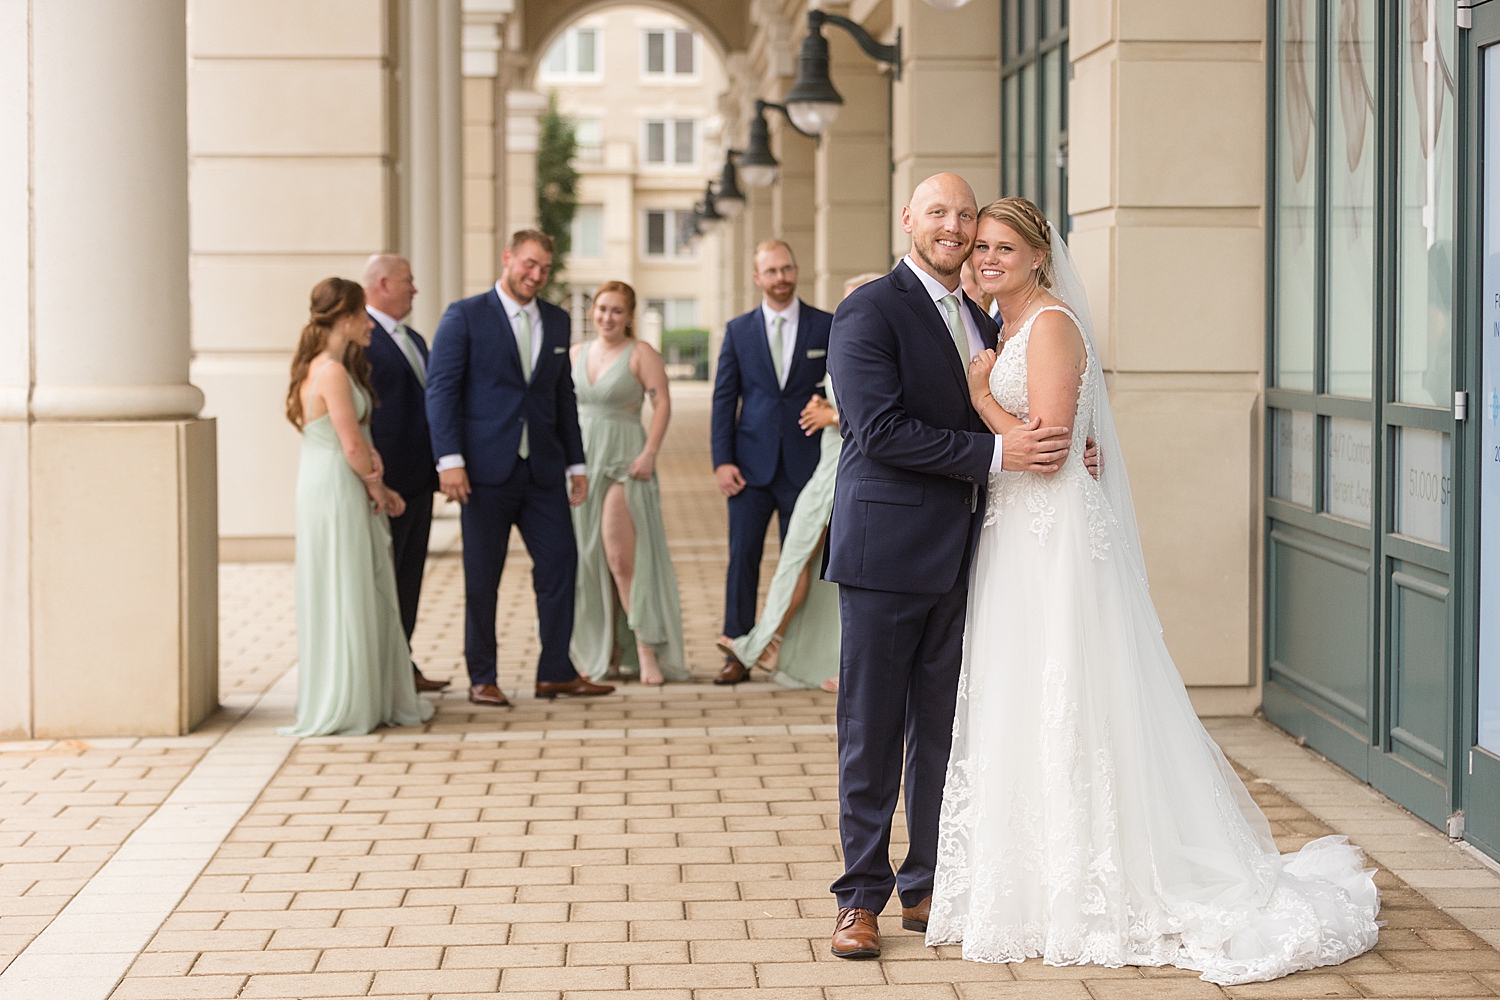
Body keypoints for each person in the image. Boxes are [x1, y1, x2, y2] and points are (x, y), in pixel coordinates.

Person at [928, 197, 1380, 983]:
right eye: (979, 251)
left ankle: (1098, 882)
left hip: (1054, 538)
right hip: (1021, 536)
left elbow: (1049, 447)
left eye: (1003, 248)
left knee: (1070, 688)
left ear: (1038, 255)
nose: (985, 261)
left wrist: (980, 401)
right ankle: (1037, 885)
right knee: (1027, 693)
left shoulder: (1052, 324)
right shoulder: (1012, 327)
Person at [822, 173, 1076, 960]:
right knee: (871, 728)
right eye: (940, 212)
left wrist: (1068, 442)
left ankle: (925, 882)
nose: (955, 226)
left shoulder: (979, 314)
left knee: (941, 730)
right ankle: (858, 898)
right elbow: (878, 431)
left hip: (971, 553)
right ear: (909, 219)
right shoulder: (869, 310)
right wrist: (1000, 452)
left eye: (965, 215)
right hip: (887, 554)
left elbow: (1015, 401)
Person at [425, 230, 614, 707]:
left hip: (544, 471)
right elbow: (441, 391)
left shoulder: (556, 320)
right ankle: (482, 676)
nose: (536, 275)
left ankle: (555, 671)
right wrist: (449, 461)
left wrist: (577, 462)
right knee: (482, 576)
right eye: (529, 264)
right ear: (508, 258)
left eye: (544, 269)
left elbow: (561, 395)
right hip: (483, 473)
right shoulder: (464, 316)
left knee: (560, 565)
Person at [280, 277, 435, 737]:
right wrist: (380, 490)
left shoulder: (314, 365)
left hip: (319, 481)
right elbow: (351, 445)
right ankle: (351, 699)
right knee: (351, 586)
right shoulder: (331, 371)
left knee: (342, 585)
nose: (370, 324)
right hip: (339, 485)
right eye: (363, 316)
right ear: (346, 318)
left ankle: (352, 690)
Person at [720, 272, 883, 694]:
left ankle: (766, 645)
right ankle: (770, 644)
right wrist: (828, 405)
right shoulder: (850, 341)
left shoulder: (880, 345)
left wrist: (831, 416)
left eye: (858, 301)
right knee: (803, 559)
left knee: (825, 564)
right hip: (826, 466)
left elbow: (882, 415)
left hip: (845, 468)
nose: (848, 311)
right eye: (846, 303)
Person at [710, 239, 834, 685]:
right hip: (749, 467)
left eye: (787, 269)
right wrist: (721, 461)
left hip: (806, 466)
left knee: (796, 561)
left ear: (796, 270)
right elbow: (725, 399)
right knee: (742, 557)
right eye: (772, 271)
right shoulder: (738, 331)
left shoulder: (826, 325)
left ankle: (787, 650)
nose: (781, 278)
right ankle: (736, 650)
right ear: (757, 277)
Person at [569, 282, 687, 686]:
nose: (608, 317)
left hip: (624, 462)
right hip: (582, 462)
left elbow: (663, 403)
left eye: (617, 311)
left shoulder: (641, 354)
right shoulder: (575, 354)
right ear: (592, 311)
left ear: (630, 315)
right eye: (602, 308)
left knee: (622, 560)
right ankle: (601, 649)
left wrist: (650, 452)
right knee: (587, 559)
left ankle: (645, 650)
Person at [362, 253, 447, 693]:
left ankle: (403, 661)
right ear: (382, 283)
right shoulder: (360, 339)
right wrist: (375, 479)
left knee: (410, 575)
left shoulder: (414, 338)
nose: (415, 288)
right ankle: (382, 668)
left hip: (420, 480)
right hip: (385, 483)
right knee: (385, 575)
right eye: (407, 281)